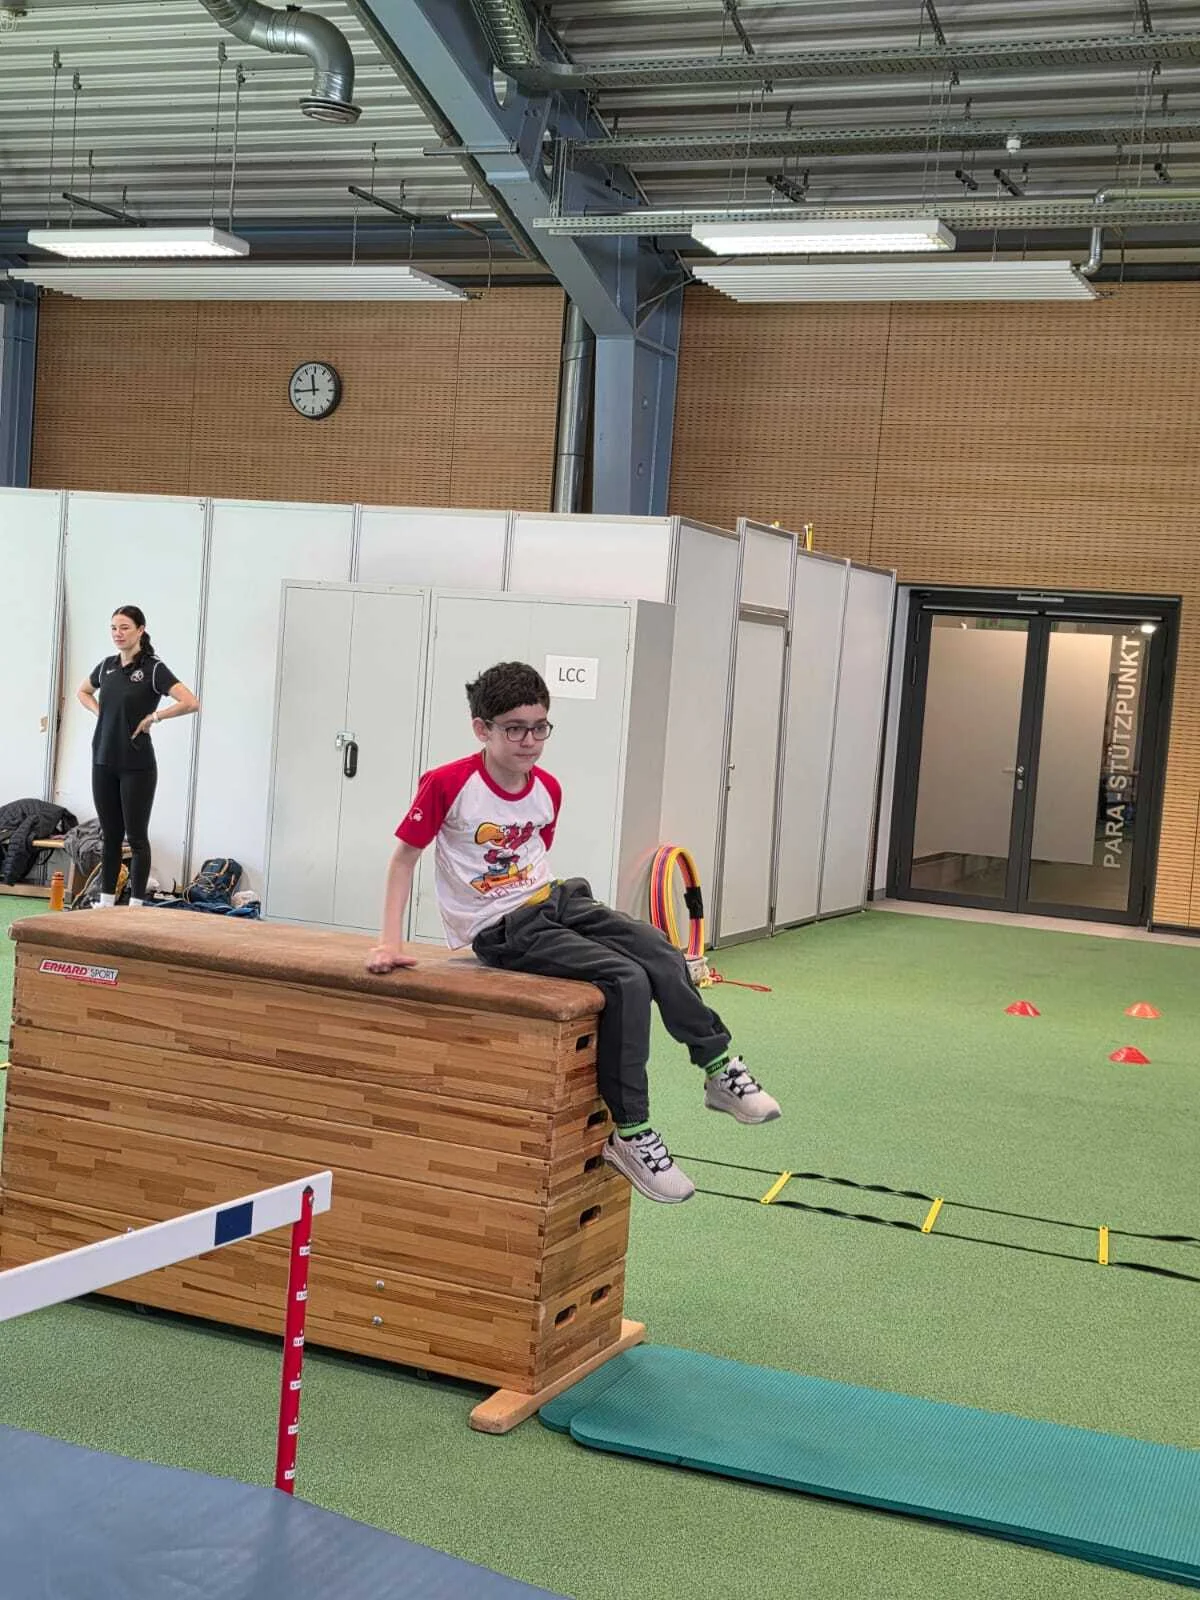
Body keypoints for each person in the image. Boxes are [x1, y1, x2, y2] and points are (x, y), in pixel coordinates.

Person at [366, 660, 780, 1204]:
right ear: (481, 729)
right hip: (500, 927)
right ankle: (631, 1133)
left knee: (658, 949)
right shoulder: (449, 784)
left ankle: (718, 1068)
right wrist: (390, 941)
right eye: (514, 729)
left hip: (556, 899)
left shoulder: (548, 789)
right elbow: (404, 859)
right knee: (624, 978)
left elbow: (532, 857)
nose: (529, 741)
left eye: (540, 727)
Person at [76, 605, 199, 907]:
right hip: (103, 760)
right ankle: (106, 903)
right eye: (113, 628)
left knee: (136, 838)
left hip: (136, 766)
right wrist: (100, 713)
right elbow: (83, 692)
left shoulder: (154, 669)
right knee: (110, 835)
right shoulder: (106, 666)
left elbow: (190, 702)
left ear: (140, 630)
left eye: (125, 627)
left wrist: (155, 717)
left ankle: (136, 905)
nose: (118, 634)